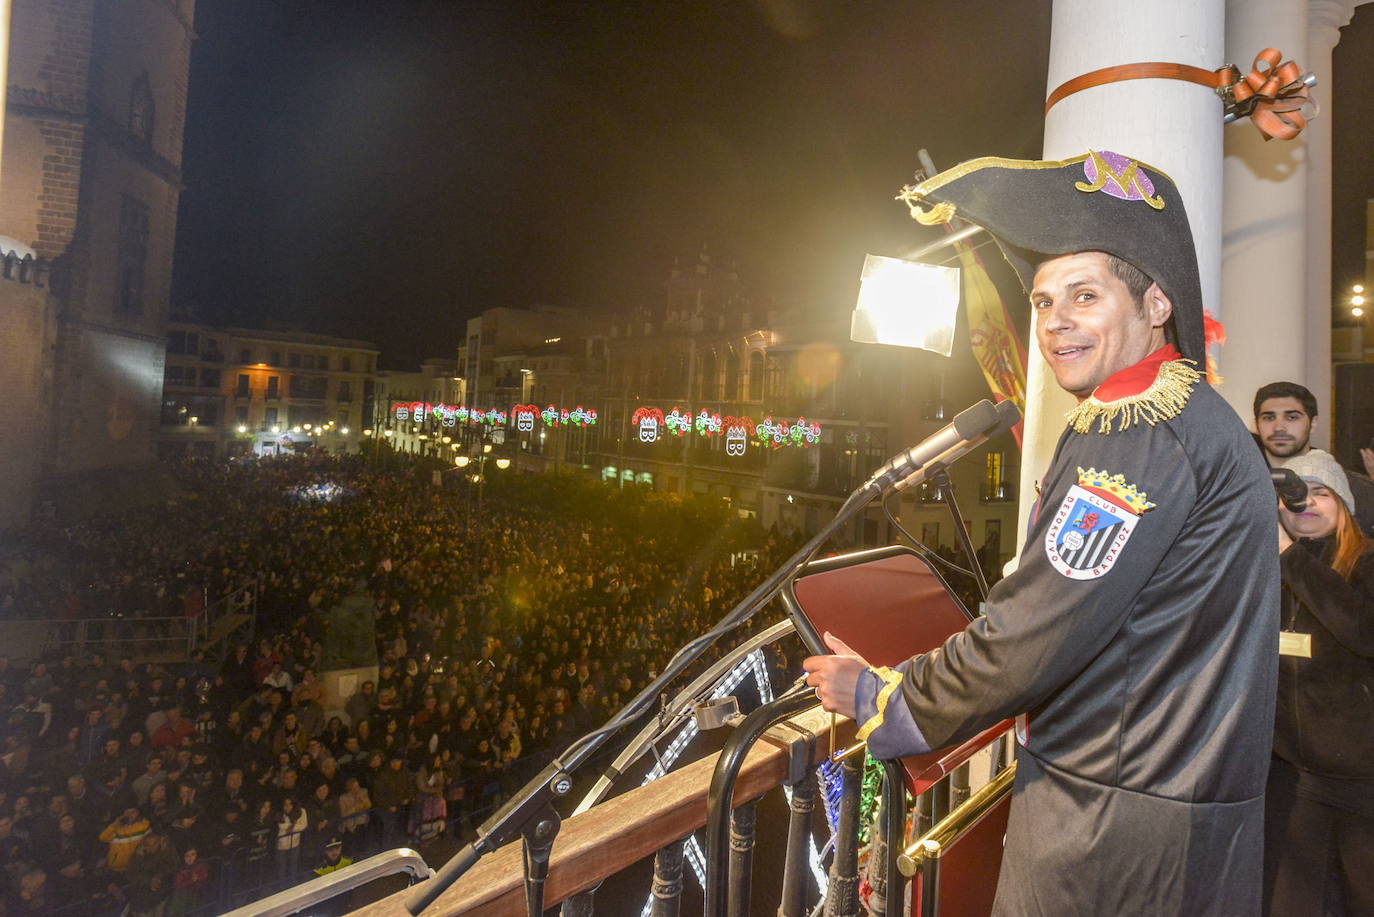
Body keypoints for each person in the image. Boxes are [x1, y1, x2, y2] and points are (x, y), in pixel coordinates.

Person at [805, 151, 1278, 914]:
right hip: (1172, 809)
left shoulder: (1137, 430)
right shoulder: (1188, 417)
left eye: (1085, 296)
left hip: (1111, 829)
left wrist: (881, 696)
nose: (1056, 320)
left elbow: (1034, 635)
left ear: (1156, 304)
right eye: (1045, 300)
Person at [1264, 450, 1374, 915]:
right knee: (1292, 903)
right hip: (1292, 776)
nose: (1305, 503)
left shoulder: (1366, 562)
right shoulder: (1266, 569)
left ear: (1344, 504)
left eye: (1321, 493)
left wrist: (1290, 557)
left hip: (1362, 778)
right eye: (1295, 494)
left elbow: (1362, 632)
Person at [1252, 380, 1374, 535]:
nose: (1279, 427)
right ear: (1256, 424)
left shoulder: (1356, 489)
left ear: (1313, 423)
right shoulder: (1239, 484)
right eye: (1269, 418)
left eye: (1292, 417)